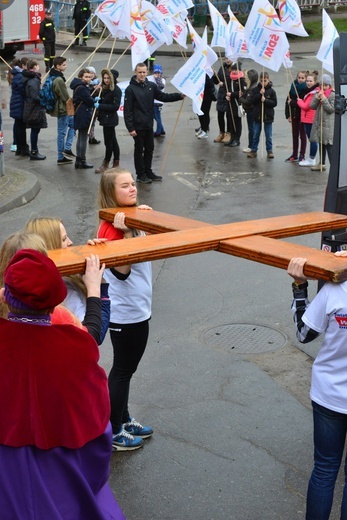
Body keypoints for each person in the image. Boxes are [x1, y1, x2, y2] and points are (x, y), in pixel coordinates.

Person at [0, 248, 125, 520]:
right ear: (55, 302)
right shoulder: (76, 346)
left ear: (4, 297)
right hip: (62, 469)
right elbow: (96, 421)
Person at [97, 167, 154, 451]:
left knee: (126, 370)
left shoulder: (131, 217)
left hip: (139, 307)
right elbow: (121, 271)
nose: (132, 188)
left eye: (133, 183)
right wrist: (128, 232)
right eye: (125, 186)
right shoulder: (112, 227)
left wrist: (145, 219)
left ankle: (123, 416)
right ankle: (114, 430)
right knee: (122, 370)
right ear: (111, 194)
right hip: (125, 312)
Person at [287, 253, 347, 520]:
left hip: (329, 395)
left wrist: (299, 286)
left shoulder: (336, 290)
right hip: (329, 397)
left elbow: (304, 333)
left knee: (324, 470)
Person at [24, 217, 110, 345]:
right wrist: (96, 288)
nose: (70, 242)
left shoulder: (50, 278)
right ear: (51, 245)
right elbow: (94, 336)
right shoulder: (63, 290)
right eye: (64, 239)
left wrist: (89, 259)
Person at [124, 62, 184, 184]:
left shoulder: (151, 86)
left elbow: (163, 96)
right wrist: (130, 127)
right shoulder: (130, 89)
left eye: (144, 72)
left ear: (147, 72)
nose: (142, 74)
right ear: (135, 72)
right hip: (138, 125)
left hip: (148, 124)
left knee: (150, 148)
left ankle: (148, 171)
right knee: (139, 149)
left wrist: (179, 96)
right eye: (139, 72)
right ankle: (141, 174)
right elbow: (127, 110)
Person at [49, 56, 76, 165]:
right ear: (58, 66)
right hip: (62, 109)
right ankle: (61, 156)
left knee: (73, 125)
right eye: (64, 65)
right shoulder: (59, 79)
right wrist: (72, 102)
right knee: (61, 132)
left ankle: (67, 149)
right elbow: (65, 96)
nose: (66, 66)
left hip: (61, 107)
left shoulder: (54, 75)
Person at [94, 68, 122, 174]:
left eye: (108, 78)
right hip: (105, 118)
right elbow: (106, 100)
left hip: (110, 119)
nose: (106, 80)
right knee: (112, 141)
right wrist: (99, 99)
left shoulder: (116, 90)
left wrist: (100, 105)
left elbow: (115, 106)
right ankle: (116, 163)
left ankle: (106, 163)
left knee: (108, 142)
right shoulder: (104, 89)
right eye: (104, 78)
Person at [247, 71, 277, 159]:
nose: (263, 82)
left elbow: (274, 103)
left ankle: (269, 150)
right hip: (257, 116)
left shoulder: (271, 91)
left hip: (268, 116)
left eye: (265, 80)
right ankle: (254, 150)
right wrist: (259, 94)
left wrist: (266, 101)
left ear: (268, 80)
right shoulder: (255, 90)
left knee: (268, 135)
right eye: (261, 80)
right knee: (256, 134)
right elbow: (252, 100)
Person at [22, 59, 47, 161]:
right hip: (34, 108)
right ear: (35, 67)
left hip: (31, 107)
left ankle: (34, 150)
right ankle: (34, 151)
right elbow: (35, 96)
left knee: (35, 129)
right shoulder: (33, 80)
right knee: (35, 129)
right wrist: (43, 100)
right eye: (37, 65)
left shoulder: (31, 78)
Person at [309, 74, 335, 172]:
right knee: (321, 144)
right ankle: (321, 163)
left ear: (329, 86)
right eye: (322, 85)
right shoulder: (318, 93)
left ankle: (333, 166)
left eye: (326, 85)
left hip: (328, 125)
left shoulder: (332, 95)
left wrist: (324, 99)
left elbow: (330, 109)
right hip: (319, 124)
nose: (323, 87)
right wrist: (317, 97)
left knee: (329, 146)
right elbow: (312, 106)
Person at [70, 68, 94, 169]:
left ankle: (79, 160)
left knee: (81, 136)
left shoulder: (78, 85)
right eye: (86, 77)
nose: (88, 79)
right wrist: (94, 100)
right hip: (83, 114)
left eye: (89, 77)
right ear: (81, 77)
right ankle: (81, 160)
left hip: (79, 113)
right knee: (83, 137)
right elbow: (89, 100)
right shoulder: (82, 88)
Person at [297, 70, 320, 167]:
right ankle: (311, 158)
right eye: (307, 81)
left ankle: (311, 158)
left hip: (311, 119)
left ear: (315, 82)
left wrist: (299, 101)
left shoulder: (314, 93)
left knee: (313, 140)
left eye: (311, 81)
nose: (308, 83)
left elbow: (307, 106)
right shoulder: (310, 91)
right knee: (312, 139)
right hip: (307, 119)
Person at [285, 70, 307, 163]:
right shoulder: (293, 87)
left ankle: (302, 154)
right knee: (295, 135)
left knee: (302, 135)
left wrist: (292, 102)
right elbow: (288, 101)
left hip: (303, 115)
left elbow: (302, 103)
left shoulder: (306, 89)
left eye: (302, 78)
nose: (300, 79)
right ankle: (294, 154)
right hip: (294, 115)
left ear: (305, 79)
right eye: (299, 77)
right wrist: (288, 115)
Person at [10, 57, 30, 157]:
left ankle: (19, 147)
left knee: (19, 126)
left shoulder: (18, 75)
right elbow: (23, 90)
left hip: (17, 103)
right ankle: (22, 148)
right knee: (20, 127)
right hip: (19, 104)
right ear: (23, 66)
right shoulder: (19, 76)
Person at [225, 62, 246, 147]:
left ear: (239, 70)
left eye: (236, 69)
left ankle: (237, 139)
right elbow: (227, 90)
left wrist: (232, 95)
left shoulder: (241, 80)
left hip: (237, 104)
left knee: (237, 122)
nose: (234, 71)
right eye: (233, 69)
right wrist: (226, 96)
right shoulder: (230, 79)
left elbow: (242, 93)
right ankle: (232, 138)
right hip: (230, 103)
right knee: (230, 121)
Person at [212, 56, 232, 144]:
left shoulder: (235, 68)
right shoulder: (222, 68)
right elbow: (216, 81)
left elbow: (233, 81)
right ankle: (221, 133)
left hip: (229, 94)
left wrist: (223, 84)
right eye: (226, 58)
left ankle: (228, 133)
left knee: (229, 115)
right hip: (221, 95)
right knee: (220, 114)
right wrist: (215, 75)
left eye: (229, 58)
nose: (227, 60)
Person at [239, 68, 258, 153]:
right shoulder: (252, 87)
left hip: (251, 111)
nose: (246, 80)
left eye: (247, 78)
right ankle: (252, 146)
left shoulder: (251, 89)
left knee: (252, 129)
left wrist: (241, 98)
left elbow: (248, 101)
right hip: (251, 110)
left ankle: (251, 146)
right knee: (252, 129)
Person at [196, 74, 217, 140]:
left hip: (207, 96)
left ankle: (205, 130)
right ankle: (202, 128)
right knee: (199, 112)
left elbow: (210, 83)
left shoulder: (207, 73)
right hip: (199, 95)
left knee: (205, 113)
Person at [148, 64, 166, 137]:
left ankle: (158, 132)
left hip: (158, 102)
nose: (157, 74)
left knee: (157, 117)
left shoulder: (162, 80)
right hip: (153, 101)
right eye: (155, 73)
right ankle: (161, 129)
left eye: (158, 73)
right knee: (155, 116)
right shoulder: (152, 79)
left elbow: (161, 86)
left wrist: (157, 79)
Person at [87, 66, 101, 145]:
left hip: (94, 106)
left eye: (92, 73)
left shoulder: (98, 82)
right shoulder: (87, 84)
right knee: (89, 122)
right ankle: (90, 136)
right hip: (89, 105)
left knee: (93, 122)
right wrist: (93, 89)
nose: (91, 75)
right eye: (89, 73)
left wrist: (98, 89)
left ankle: (92, 137)